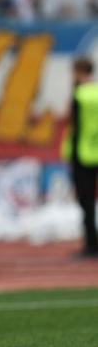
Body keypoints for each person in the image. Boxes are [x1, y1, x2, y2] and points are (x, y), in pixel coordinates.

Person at [62, 57, 98, 258]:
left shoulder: (79, 94)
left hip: (82, 152)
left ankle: (91, 243)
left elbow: (71, 122)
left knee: (86, 200)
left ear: (77, 72)